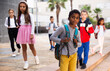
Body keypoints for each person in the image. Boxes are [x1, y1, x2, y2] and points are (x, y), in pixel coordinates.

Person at [16, 1, 39, 70]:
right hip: (22, 31)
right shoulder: (19, 15)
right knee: (24, 48)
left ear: (26, 7)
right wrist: (18, 26)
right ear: (19, 7)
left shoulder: (30, 15)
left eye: (23, 6)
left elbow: (33, 24)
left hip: (29, 31)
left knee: (31, 46)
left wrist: (32, 33)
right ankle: (26, 62)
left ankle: (36, 57)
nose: (22, 8)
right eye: (21, 6)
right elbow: (19, 23)